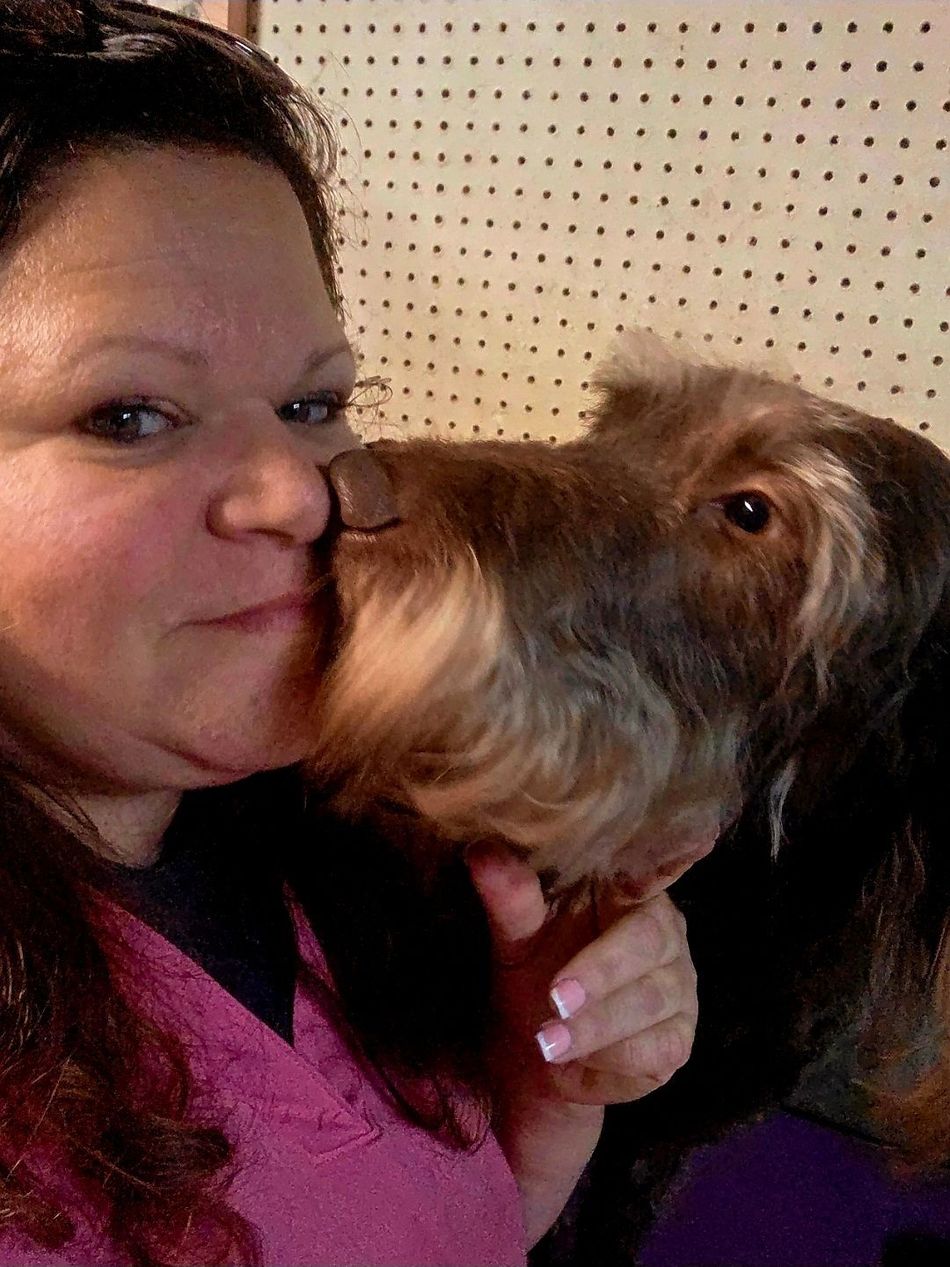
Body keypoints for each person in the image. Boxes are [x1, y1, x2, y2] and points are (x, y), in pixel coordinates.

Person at [0, 3, 700, 1264]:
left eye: (311, 402)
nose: (305, 491)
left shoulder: (327, 837)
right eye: (129, 415)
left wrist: (541, 1086)